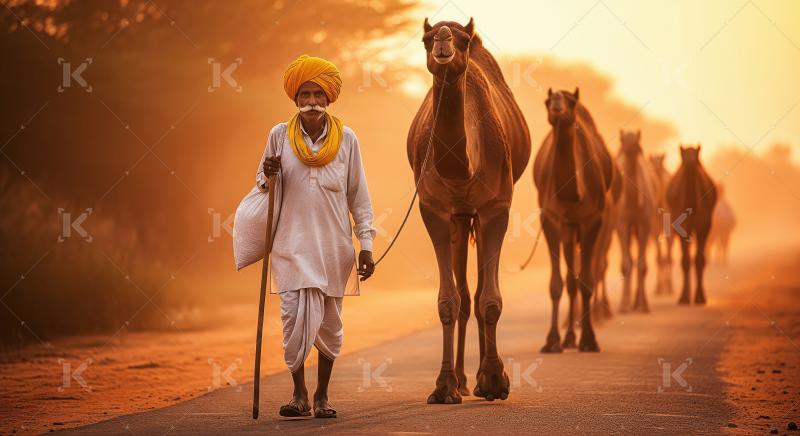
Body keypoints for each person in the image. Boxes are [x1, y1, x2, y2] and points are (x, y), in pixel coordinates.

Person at [256, 54, 376, 419]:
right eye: (305, 93)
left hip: (333, 249)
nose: (312, 101)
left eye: (318, 94)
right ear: (295, 98)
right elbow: (261, 188)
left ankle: (322, 396)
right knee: (292, 319)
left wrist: (366, 246)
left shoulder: (347, 139)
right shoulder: (279, 135)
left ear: (329, 98)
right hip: (290, 247)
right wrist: (268, 172)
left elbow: (359, 196)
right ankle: (299, 394)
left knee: (329, 324)